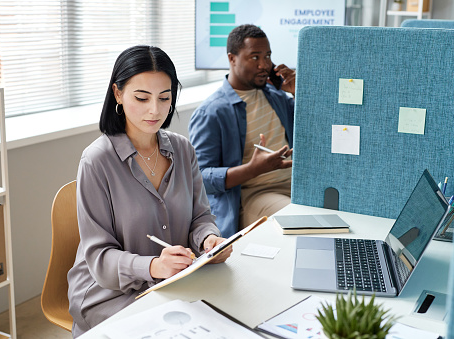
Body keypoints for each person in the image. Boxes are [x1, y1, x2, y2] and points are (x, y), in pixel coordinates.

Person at [67, 45, 232, 338]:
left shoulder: (182, 149)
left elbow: (200, 216)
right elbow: (100, 258)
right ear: (118, 94)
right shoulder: (96, 161)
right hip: (109, 294)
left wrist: (208, 240)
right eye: (141, 98)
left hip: (171, 283)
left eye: (164, 98)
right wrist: (154, 265)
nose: (155, 110)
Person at [188, 24, 296, 237]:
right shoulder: (211, 112)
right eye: (255, 57)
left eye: (267, 56)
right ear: (232, 59)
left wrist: (298, 92)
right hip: (254, 195)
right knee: (301, 221)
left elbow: (316, 130)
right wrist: (253, 169)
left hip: (296, 186)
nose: (264, 65)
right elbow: (199, 178)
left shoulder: (278, 97)